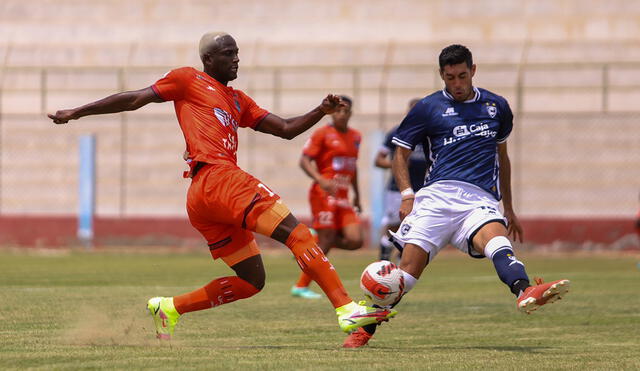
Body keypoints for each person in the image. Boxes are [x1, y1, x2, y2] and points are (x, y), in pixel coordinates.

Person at [48, 32, 396, 340]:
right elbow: (134, 98)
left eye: (238, 53)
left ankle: (169, 308)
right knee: (298, 234)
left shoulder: (238, 100)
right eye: (228, 53)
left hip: (205, 195)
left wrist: (320, 110)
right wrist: (77, 111)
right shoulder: (187, 79)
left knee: (251, 281)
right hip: (217, 178)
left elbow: (286, 129)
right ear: (208, 59)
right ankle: (346, 309)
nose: (236, 59)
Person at [344, 44, 570, 348]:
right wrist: (408, 194)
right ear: (442, 75)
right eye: (450, 78)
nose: (458, 84)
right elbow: (401, 152)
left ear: (473, 71)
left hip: (479, 198)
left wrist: (510, 208)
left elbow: (502, 157)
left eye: (463, 76)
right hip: (436, 197)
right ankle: (364, 330)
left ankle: (524, 291)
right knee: (406, 274)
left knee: (497, 242)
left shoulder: (497, 107)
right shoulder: (427, 108)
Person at [290, 96, 365, 299]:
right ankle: (300, 286)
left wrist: (357, 194)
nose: (341, 114)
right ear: (333, 113)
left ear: (350, 113)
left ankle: (316, 238)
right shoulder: (322, 133)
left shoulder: (356, 136)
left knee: (356, 240)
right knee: (328, 239)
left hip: (343, 197)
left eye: (345, 110)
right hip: (323, 194)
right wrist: (320, 179)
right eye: (338, 110)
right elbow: (304, 161)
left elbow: (353, 166)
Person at [374, 98, 430, 262]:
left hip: (421, 190)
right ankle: (383, 263)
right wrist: (398, 162)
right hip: (396, 189)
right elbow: (378, 160)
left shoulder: (430, 135)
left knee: (413, 228)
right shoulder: (397, 132)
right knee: (393, 227)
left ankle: (401, 265)